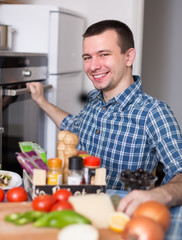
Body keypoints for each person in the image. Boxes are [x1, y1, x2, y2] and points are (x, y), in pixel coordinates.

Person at [27, 20, 182, 216]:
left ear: (128, 57)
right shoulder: (93, 99)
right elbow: (73, 127)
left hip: (119, 219)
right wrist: (41, 101)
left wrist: (158, 195)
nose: (93, 66)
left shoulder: (153, 112)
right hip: (75, 211)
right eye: (87, 57)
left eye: (104, 54)